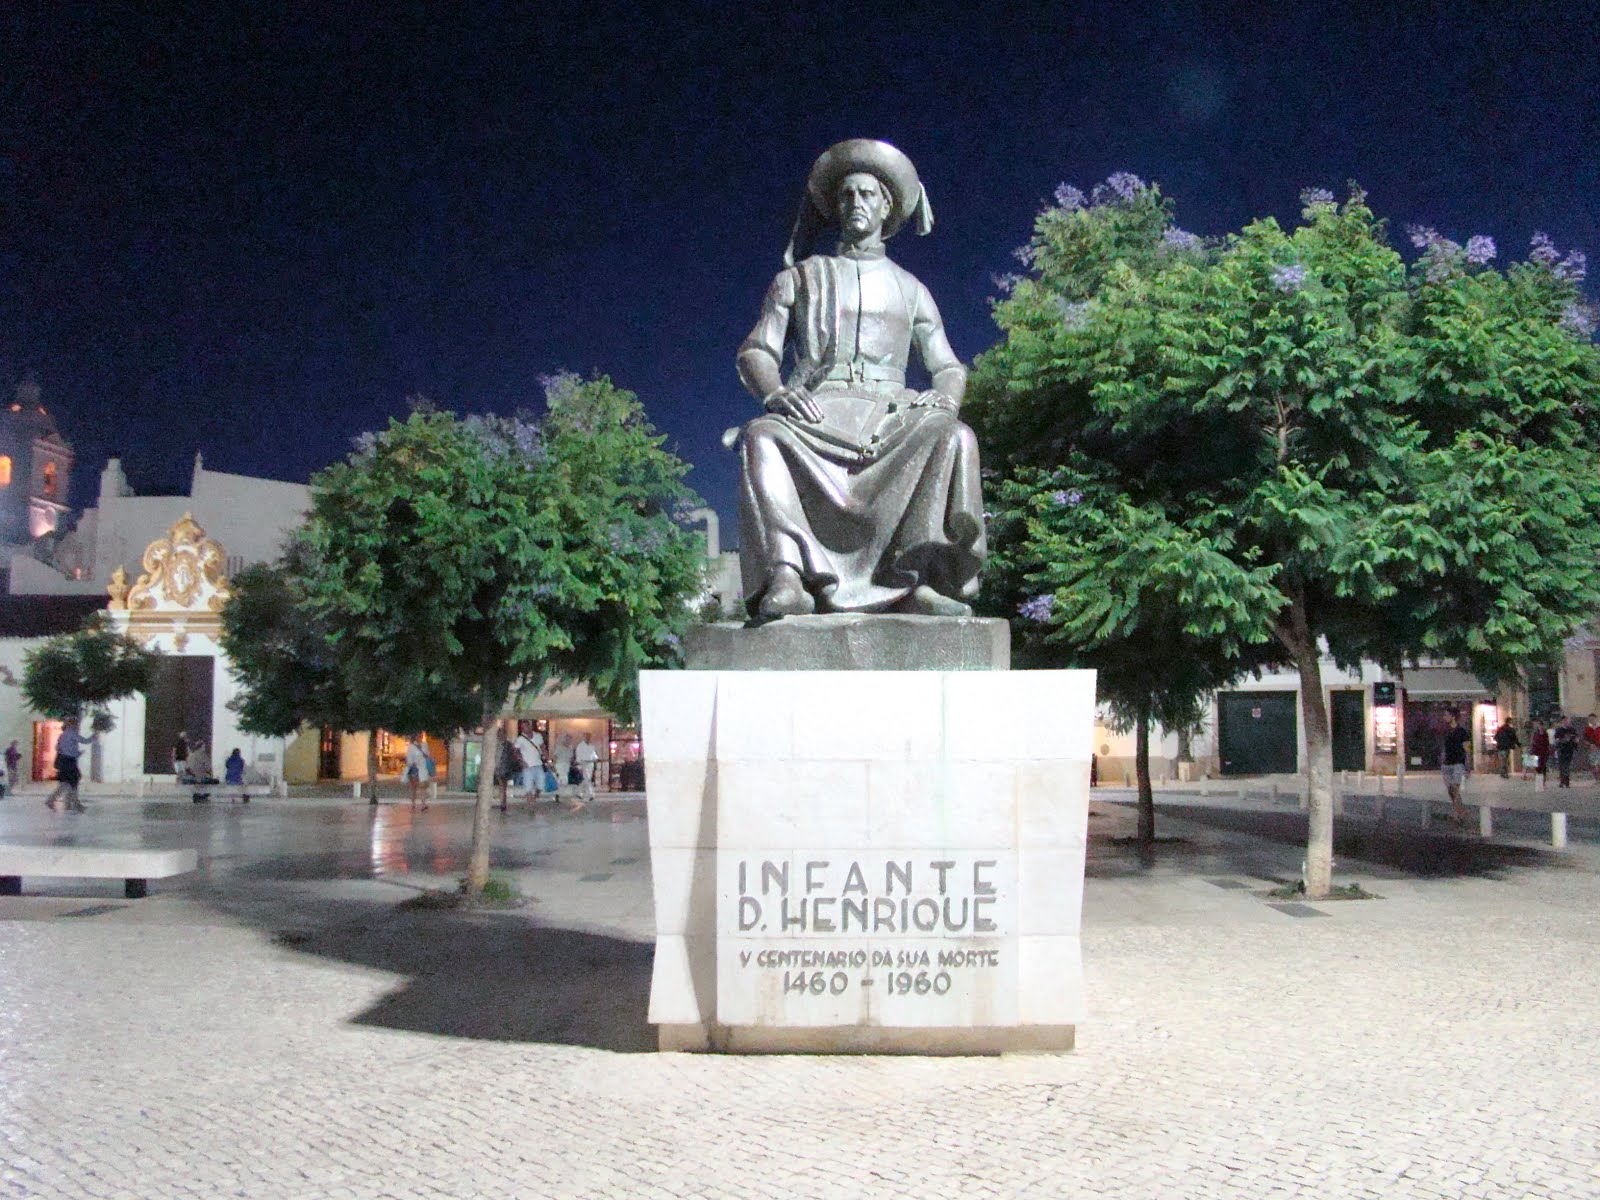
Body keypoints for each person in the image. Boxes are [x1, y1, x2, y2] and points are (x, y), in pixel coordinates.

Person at [734, 138, 985, 619]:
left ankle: (917, 578)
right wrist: (776, 392)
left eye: (867, 194)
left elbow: (948, 366)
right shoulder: (801, 277)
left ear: (887, 208)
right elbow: (757, 351)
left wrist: (945, 399)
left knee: (951, 435)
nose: (855, 203)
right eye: (846, 195)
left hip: (891, 414)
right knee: (761, 436)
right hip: (817, 410)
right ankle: (787, 576)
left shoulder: (912, 289)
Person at [45, 716, 95, 813]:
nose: (77, 725)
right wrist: (94, 735)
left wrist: (74, 753)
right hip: (69, 761)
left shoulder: (62, 735)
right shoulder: (72, 734)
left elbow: (58, 748)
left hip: (63, 761)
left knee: (67, 782)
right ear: (72, 724)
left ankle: (66, 802)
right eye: (76, 723)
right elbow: (85, 741)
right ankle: (72, 803)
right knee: (72, 781)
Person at [1439, 709, 1471, 822]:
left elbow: (1467, 749)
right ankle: (1461, 811)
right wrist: (1442, 760)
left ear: (1453, 717)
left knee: (1455, 789)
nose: (1444, 717)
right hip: (1447, 763)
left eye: (1446, 715)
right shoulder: (1445, 731)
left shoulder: (1462, 732)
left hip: (1458, 762)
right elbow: (1444, 747)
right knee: (1450, 790)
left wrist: (1467, 766)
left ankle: (1457, 814)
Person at [566, 731, 601, 811]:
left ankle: (579, 792)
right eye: (586, 737)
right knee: (587, 779)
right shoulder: (580, 746)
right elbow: (578, 756)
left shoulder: (591, 746)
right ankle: (591, 794)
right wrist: (579, 764)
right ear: (584, 737)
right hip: (583, 763)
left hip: (590, 764)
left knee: (586, 779)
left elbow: (593, 754)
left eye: (589, 737)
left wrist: (595, 758)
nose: (588, 738)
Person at [514, 725, 546, 805]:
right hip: (527, 765)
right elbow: (516, 751)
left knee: (541, 782)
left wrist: (546, 755)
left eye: (525, 727)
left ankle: (535, 796)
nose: (523, 729)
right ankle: (530, 802)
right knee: (528, 785)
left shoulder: (538, 736)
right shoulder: (520, 739)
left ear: (530, 727)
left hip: (538, 763)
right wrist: (521, 761)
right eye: (522, 728)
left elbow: (542, 747)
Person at [404, 738, 431, 811]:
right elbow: (428, 755)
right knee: (420, 788)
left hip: (416, 769)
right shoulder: (424, 745)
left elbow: (409, 760)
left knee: (415, 788)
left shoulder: (412, 747)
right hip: (421, 770)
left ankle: (416, 804)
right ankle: (421, 804)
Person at [1553, 717, 1580, 788]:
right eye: (1565, 721)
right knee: (1561, 766)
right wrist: (1563, 740)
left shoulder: (1572, 730)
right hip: (1561, 750)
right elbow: (1556, 739)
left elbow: (1576, 738)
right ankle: (1562, 781)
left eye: (1568, 721)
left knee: (1567, 765)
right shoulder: (1559, 730)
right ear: (1562, 721)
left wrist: (1576, 740)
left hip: (1569, 750)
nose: (1567, 722)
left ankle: (1566, 782)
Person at [1528, 719, 1551, 789]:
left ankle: (1543, 783)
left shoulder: (1545, 734)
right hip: (1536, 752)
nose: (1540, 727)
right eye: (1539, 726)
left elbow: (1547, 743)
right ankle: (1539, 783)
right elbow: (1532, 743)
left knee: (1543, 768)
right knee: (1537, 768)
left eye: (1541, 726)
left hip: (1544, 753)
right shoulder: (1535, 733)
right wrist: (1531, 751)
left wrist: (1548, 751)